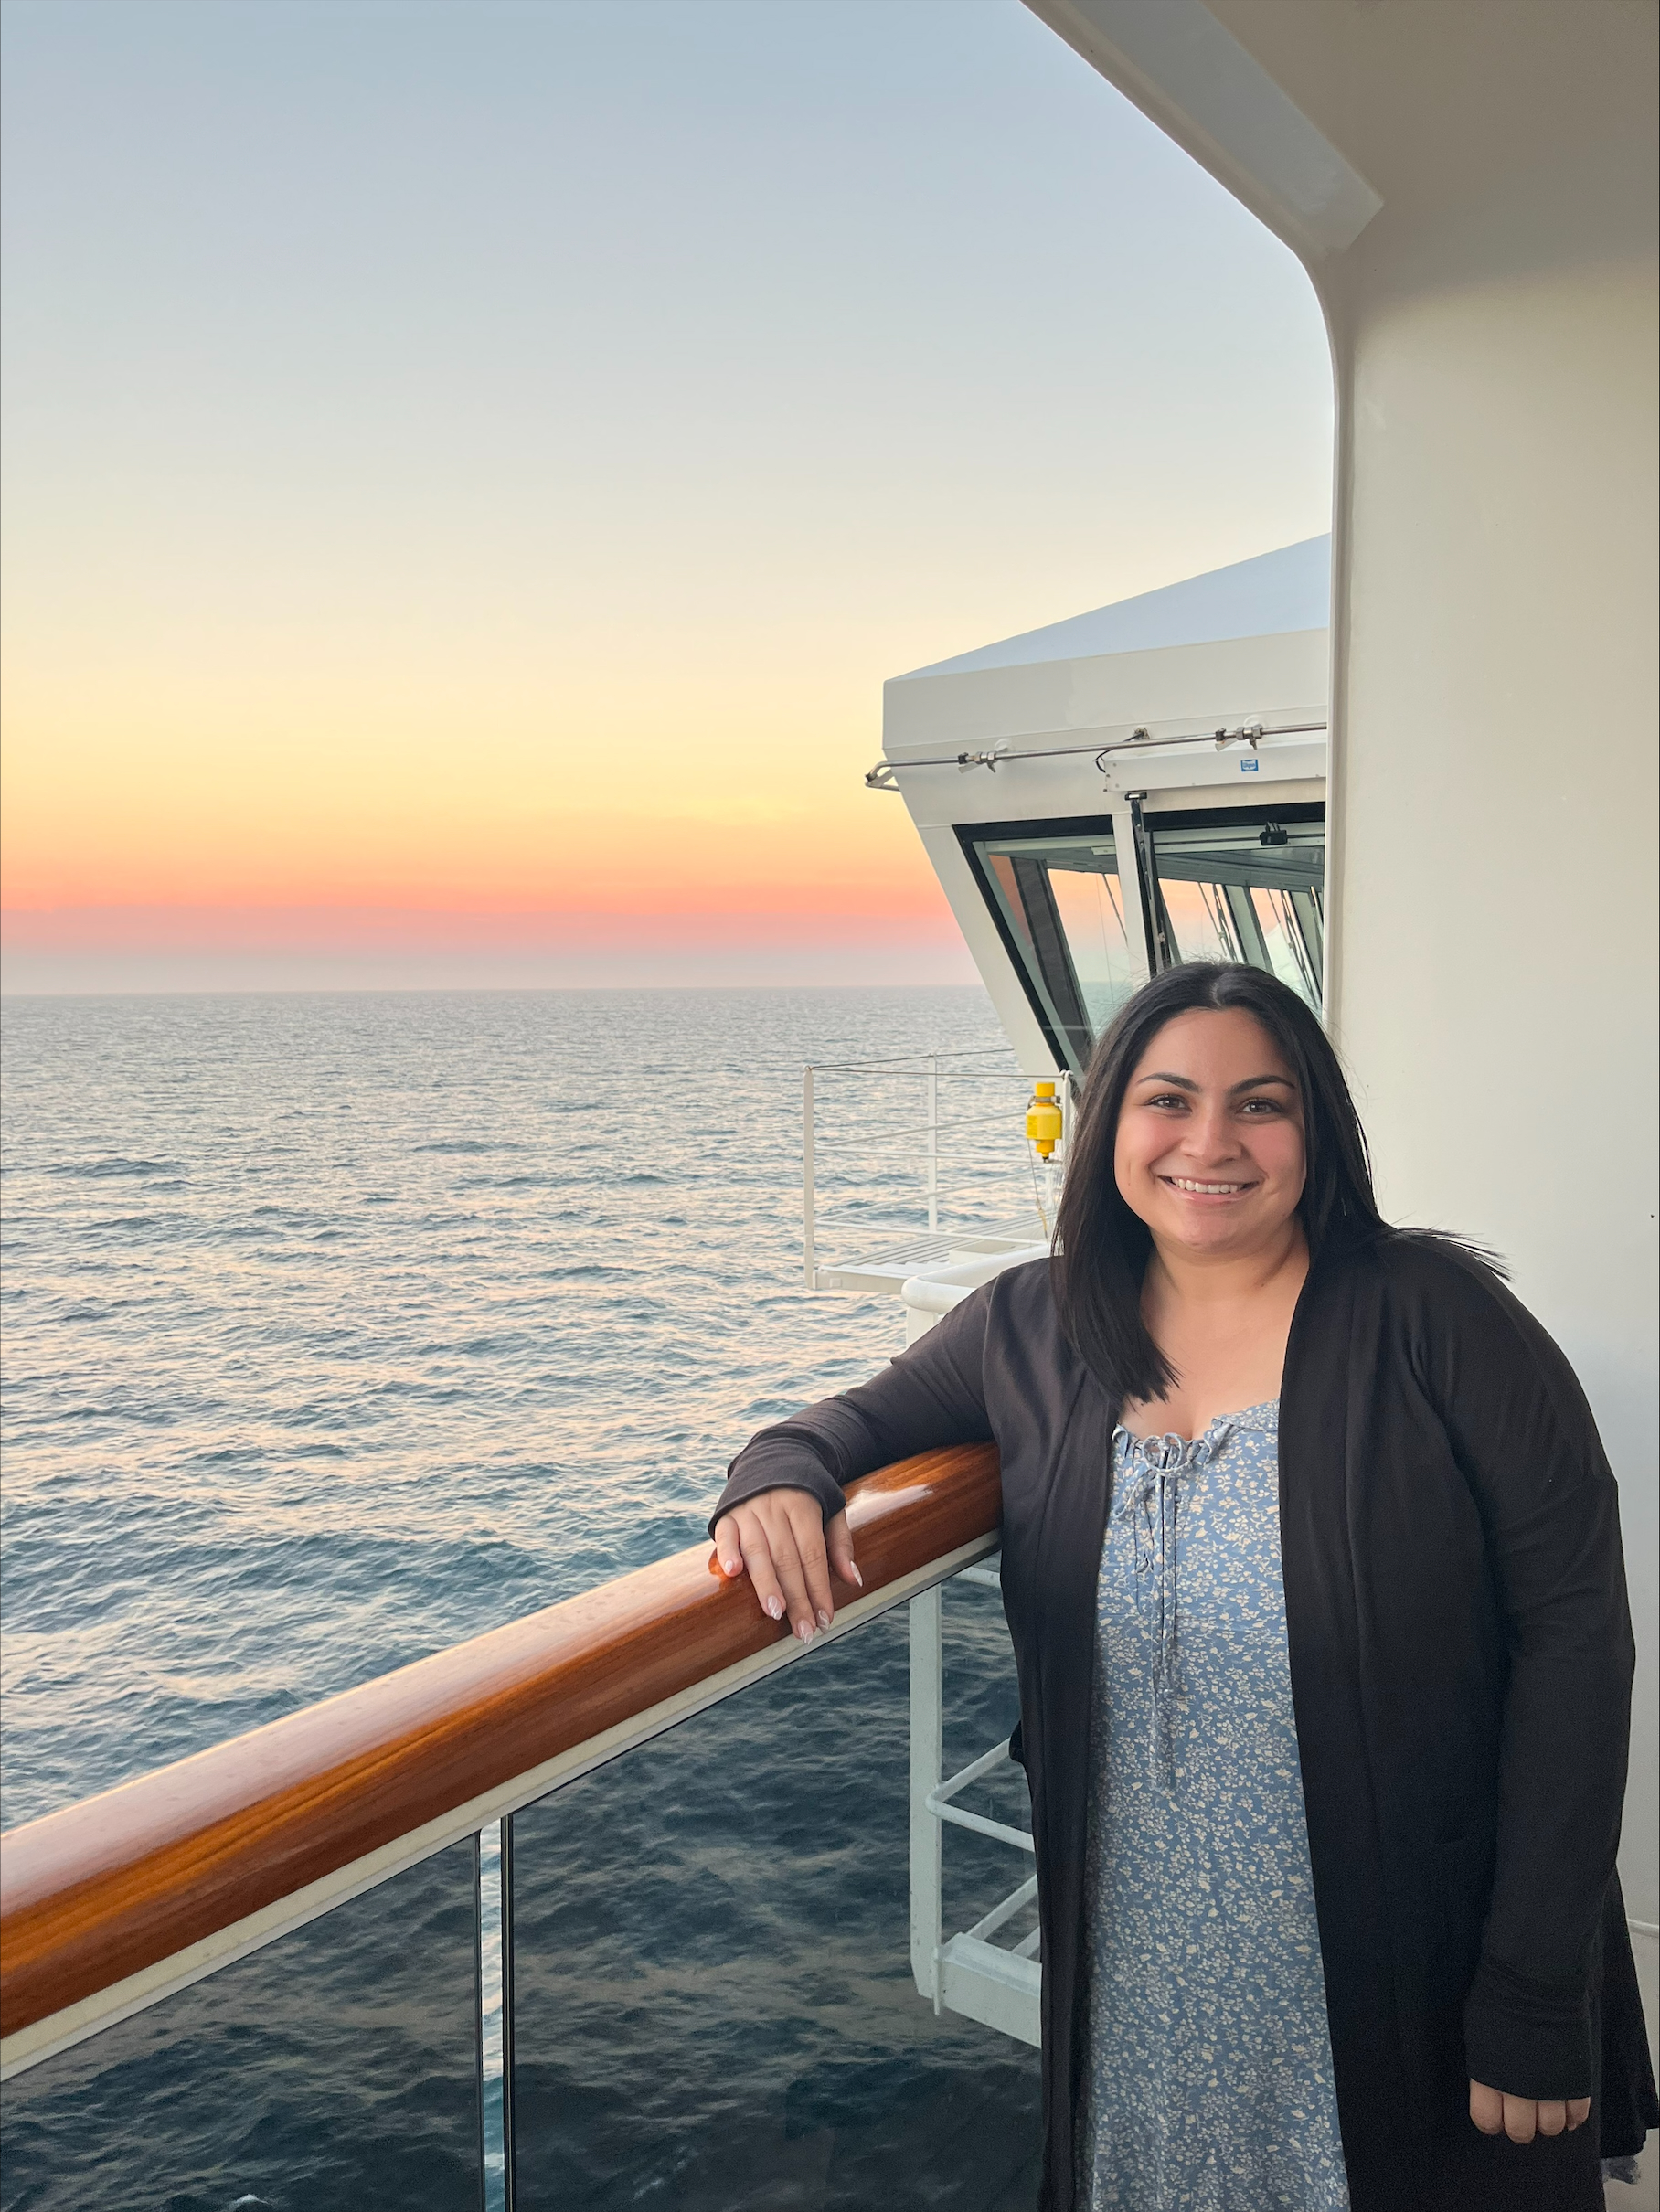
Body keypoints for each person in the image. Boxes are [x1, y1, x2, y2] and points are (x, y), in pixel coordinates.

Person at [708, 962, 1657, 2212]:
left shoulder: (1440, 1322)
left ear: (1316, 1131)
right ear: (1110, 1125)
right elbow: (846, 1422)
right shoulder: (1033, 1326)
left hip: (1414, 1957)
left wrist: (1535, 1988)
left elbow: (1579, 1639)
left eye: (1260, 1104)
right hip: (1147, 1969)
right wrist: (776, 1473)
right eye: (1169, 1101)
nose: (1211, 1142)